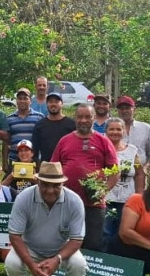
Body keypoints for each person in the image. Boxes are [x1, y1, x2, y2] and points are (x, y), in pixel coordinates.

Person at [4, 161, 88, 276]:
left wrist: (57, 259)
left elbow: (77, 239)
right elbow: (15, 235)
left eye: (56, 185)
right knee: (12, 264)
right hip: (30, 247)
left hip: (61, 248)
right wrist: (30, 263)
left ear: (63, 183)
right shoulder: (24, 198)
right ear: (38, 181)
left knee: (79, 265)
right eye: (45, 185)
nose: (50, 190)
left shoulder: (74, 201)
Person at [50, 104, 119, 251]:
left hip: (93, 203)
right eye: (80, 117)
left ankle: (89, 272)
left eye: (87, 116)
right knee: (64, 240)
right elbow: (53, 167)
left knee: (93, 242)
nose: (83, 120)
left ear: (94, 118)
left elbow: (115, 171)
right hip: (66, 201)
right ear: (75, 119)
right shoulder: (64, 141)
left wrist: (103, 191)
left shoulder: (103, 141)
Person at [103, 117, 145, 246]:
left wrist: (139, 196)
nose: (115, 132)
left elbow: (139, 174)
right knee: (105, 232)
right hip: (106, 199)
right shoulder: (101, 149)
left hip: (128, 201)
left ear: (124, 131)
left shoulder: (132, 151)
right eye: (111, 129)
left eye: (118, 129)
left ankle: (121, 264)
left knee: (125, 233)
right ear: (106, 131)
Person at [32, 91, 75, 166]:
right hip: (46, 167)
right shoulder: (40, 125)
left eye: (56, 101)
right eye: (50, 102)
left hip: (66, 166)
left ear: (62, 104)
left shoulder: (72, 125)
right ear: (47, 104)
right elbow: (34, 151)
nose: (53, 104)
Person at [4, 87, 43, 167]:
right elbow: (6, 141)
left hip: (33, 161)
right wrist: (5, 162)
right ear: (16, 100)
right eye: (19, 98)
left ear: (30, 101)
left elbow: (43, 140)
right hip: (14, 159)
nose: (22, 101)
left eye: (25, 98)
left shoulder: (39, 117)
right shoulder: (10, 118)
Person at [115, 96, 150, 166]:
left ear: (134, 109)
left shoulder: (145, 128)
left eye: (127, 108)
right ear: (118, 111)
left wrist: (146, 168)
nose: (124, 111)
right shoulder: (112, 129)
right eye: (121, 109)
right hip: (118, 172)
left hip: (142, 171)